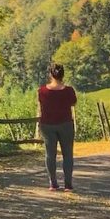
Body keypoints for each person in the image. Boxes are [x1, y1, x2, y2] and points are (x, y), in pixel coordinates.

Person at [37, 63, 77, 192]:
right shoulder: (69, 90)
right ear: (63, 75)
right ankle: (68, 184)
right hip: (65, 124)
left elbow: (41, 103)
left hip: (47, 124)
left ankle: (53, 183)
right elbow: (73, 102)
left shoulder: (42, 91)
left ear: (50, 74)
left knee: (50, 154)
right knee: (68, 154)